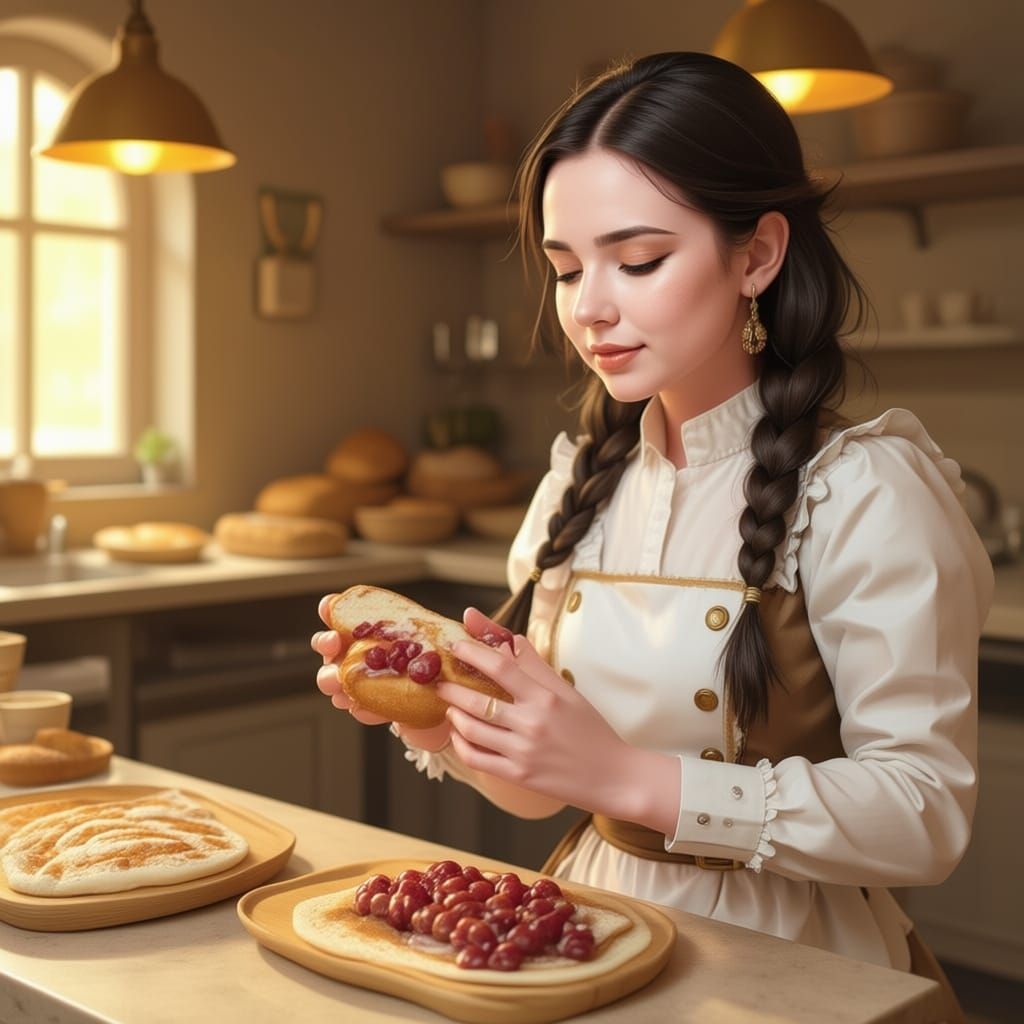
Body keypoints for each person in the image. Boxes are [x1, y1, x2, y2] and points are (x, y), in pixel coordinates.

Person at [313, 52, 993, 1019]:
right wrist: (427, 714)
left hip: (797, 961)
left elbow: (923, 816)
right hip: (593, 931)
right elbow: (539, 797)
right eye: (564, 268)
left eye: (637, 261)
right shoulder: (578, 483)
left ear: (757, 255)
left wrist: (629, 776)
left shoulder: (865, 490)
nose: (590, 307)